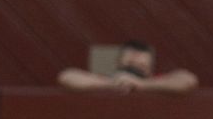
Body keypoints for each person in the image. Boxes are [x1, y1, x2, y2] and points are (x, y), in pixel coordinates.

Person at [57, 40, 199, 93]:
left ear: (150, 68)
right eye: (130, 64)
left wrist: (142, 85)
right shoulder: (105, 79)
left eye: (141, 65)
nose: (134, 68)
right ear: (118, 64)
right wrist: (112, 84)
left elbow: (188, 81)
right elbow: (67, 77)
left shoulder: (158, 80)